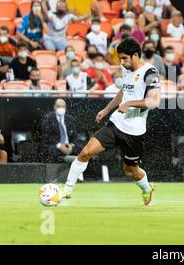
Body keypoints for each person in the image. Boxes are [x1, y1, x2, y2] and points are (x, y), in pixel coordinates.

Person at [63, 37, 161, 205]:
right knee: (86, 152)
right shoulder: (126, 70)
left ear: (136, 55)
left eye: (124, 58)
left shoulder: (150, 73)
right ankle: (67, 190)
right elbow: (125, 90)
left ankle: (146, 189)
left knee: (130, 171)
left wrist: (130, 104)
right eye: (120, 58)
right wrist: (107, 110)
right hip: (116, 123)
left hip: (134, 132)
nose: (121, 62)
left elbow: (154, 102)